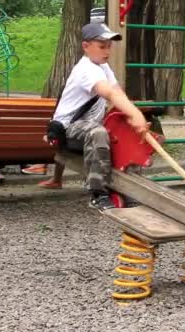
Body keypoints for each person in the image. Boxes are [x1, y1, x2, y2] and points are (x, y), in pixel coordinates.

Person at [46, 23, 147, 210]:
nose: (107, 51)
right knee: (97, 132)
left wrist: (132, 119)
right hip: (68, 129)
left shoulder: (103, 66)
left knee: (124, 131)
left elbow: (119, 93)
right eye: (102, 46)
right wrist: (135, 114)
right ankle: (97, 193)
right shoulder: (86, 69)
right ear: (86, 46)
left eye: (109, 46)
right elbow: (109, 93)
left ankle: (130, 187)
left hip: (88, 126)